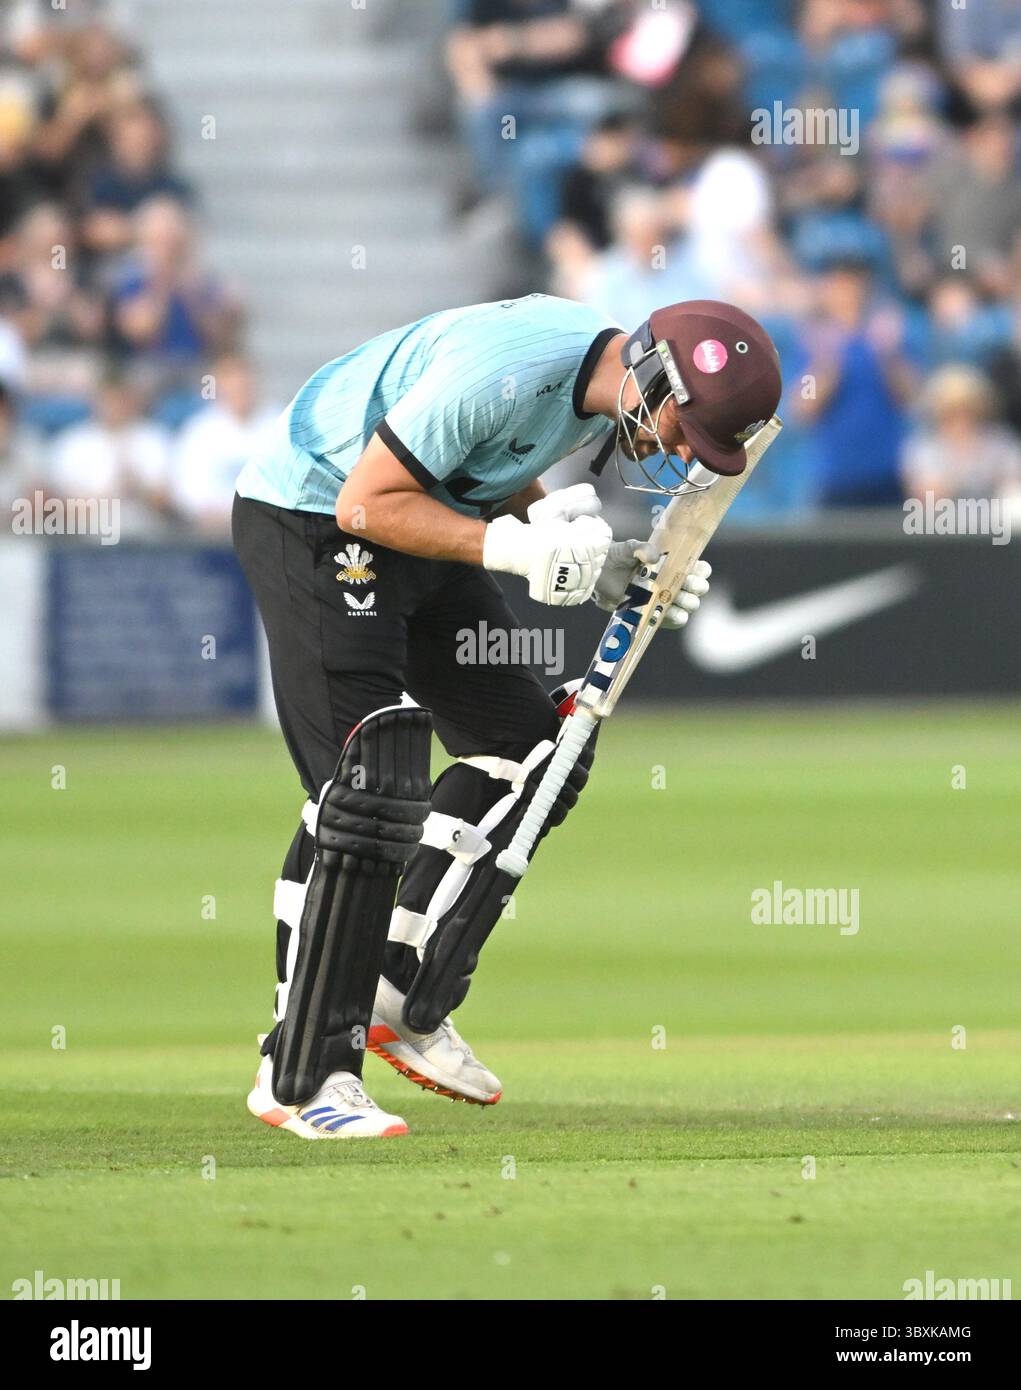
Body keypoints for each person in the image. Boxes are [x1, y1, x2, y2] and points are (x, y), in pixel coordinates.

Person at [232, 292, 782, 1139]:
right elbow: (364, 502)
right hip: (315, 519)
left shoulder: (586, 388)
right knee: (367, 788)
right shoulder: (510, 366)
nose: (678, 449)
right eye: (684, 426)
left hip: (417, 522)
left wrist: (594, 561)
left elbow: (477, 463)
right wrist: (514, 548)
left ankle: (395, 984)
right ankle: (303, 1071)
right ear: (650, 372)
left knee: (534, 749)